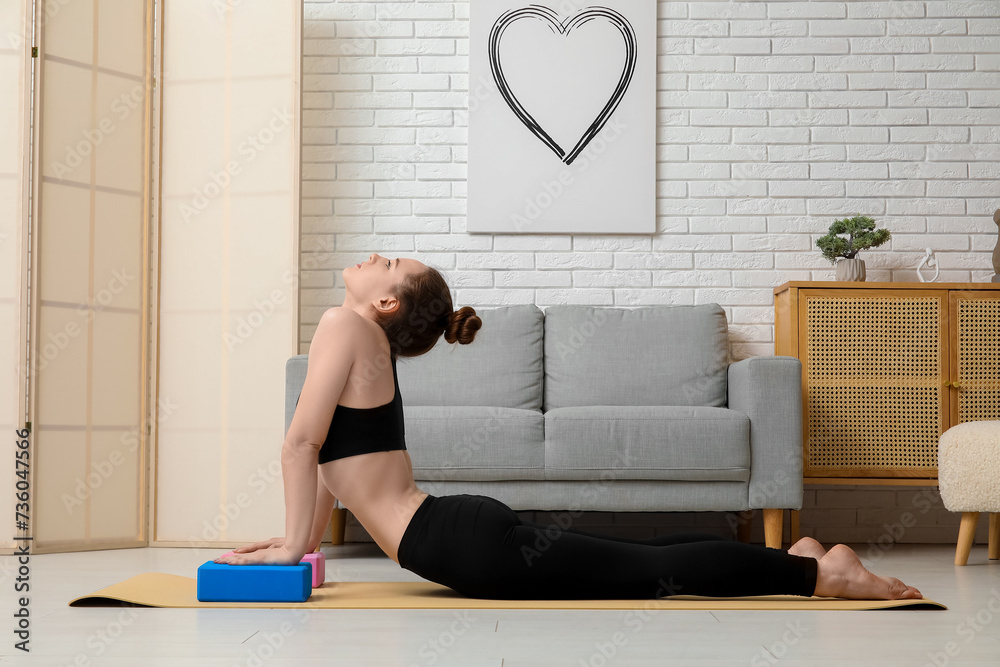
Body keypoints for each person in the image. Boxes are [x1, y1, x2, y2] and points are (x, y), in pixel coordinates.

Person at [214, 253, 923, 601]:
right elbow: (335, 459)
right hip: (454, 530)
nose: (375, 258)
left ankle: (820, 574)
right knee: (635, 559)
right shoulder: (361, 338)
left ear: (388, 299)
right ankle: (797, 557)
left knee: (648, 573)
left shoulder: (344, 323)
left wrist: (292, 550)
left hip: (457, 540)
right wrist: (298, 541)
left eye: (388, 262)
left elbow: (303, 442)